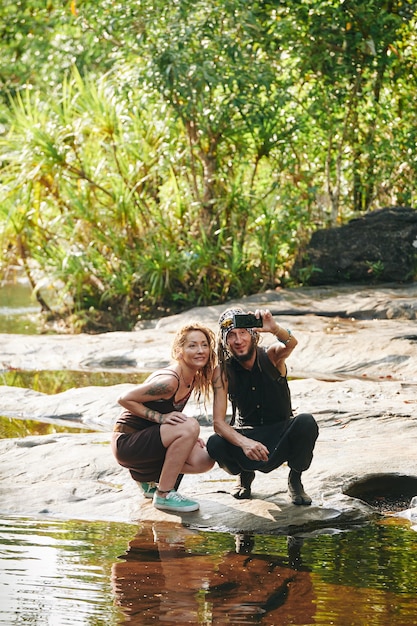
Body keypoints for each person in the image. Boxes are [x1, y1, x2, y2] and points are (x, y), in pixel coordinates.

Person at [206, 307, 318, 504]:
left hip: (281, 433)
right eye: (231, 335)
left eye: (242, 333)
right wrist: (244, 442)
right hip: (247, 435)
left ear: (252, 334)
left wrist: (274, 328)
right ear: (225, 341)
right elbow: (218, 423)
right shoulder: (222, 372)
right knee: (214, 443)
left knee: (306, 422)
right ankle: (244, 476)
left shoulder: (272, 356)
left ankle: (295, 479)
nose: (238, 340)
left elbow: (291, 343)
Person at [111, 322, 216, 513]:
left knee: (204, 459)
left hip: (147, 442)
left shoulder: (191, 377)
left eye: (204, 345)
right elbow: (124, 399)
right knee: (189, 426)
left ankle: (147, 481)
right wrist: (161, 418)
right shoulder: (169, 381)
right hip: (127, 443)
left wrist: (186, 437)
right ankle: (165, 494)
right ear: (179, 351)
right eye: (192, 345)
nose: (200, 350)